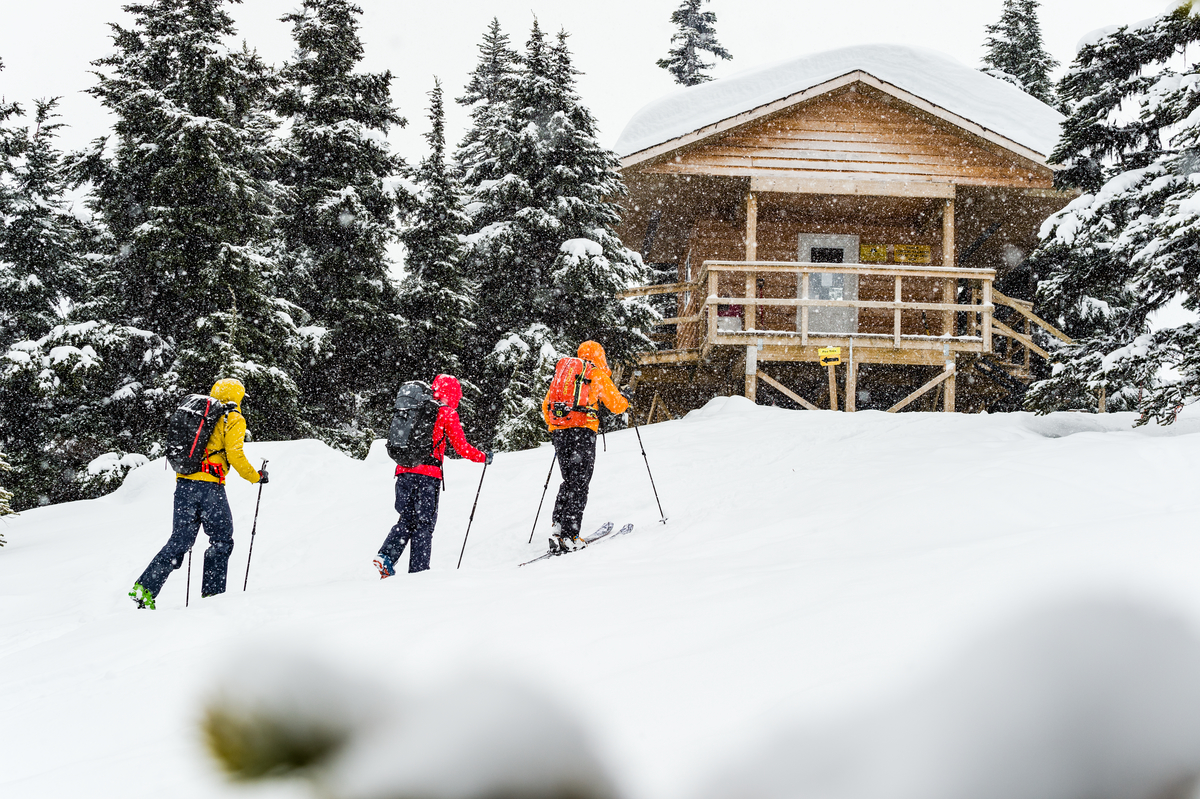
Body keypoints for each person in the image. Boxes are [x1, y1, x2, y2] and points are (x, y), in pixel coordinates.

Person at [129, 378, 266, 609]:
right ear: (238, 396)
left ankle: (145, 588)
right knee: (221, 539)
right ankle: (212, 597)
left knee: (180, 541)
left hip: (184, 485)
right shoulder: (232, 418)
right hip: (210, 487)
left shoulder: (199, 414)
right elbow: (235, 455)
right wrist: (257, 477)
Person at [373, 374, 490, 578]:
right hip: (427, 476)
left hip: (403, 471)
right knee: (424, 524)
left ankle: (387, 556)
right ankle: (419, 573)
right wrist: (483, 457)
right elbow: (461, 448)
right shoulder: (446, 413)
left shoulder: (416, 409)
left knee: (407, 519)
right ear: (453, 395)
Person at [541, 341, 629, 552]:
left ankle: (558, 527)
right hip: (583, 433)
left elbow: (546, 407)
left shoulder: (565, 375)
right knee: (580, 483)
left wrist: (560, 427)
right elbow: (616, 405)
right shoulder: (595, 374)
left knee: (569, 480)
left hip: (560, 433)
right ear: (601, 356)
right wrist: (626, 399)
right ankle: (570, 536)